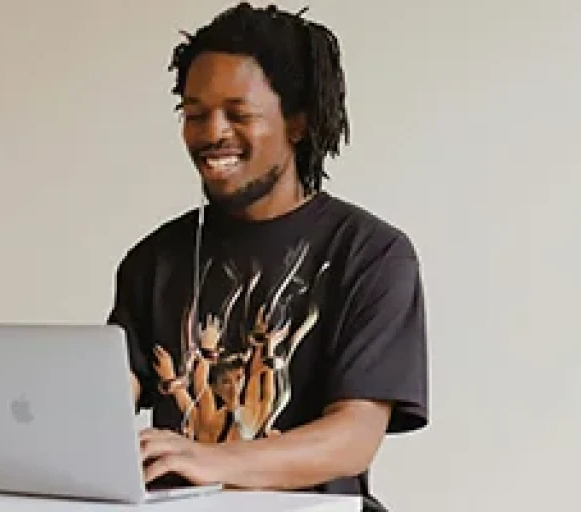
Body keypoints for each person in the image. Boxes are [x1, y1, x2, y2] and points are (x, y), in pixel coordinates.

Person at [106, 3, 429, 510]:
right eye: (194, 114)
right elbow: (106, 399)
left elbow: (354, 437)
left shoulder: (371, 254)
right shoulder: (153, 261)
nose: (212, 133)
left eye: (238, 115)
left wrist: (211, 461)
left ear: (297, 123)